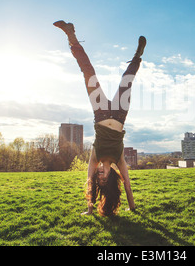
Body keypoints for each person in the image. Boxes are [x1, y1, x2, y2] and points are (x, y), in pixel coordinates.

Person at [54, 20, 146, 216]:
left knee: (88, 73)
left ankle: (71, 35)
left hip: (101, 112)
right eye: (105, 179)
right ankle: (138, 56)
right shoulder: (119, 161)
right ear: (112, 177)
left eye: (100, 179)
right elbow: (128, 186)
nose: (101, 176)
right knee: (127, 80)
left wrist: (90, 209)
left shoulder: (94, 158)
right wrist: (132, 206)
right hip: (120, 116)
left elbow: (89, 184)